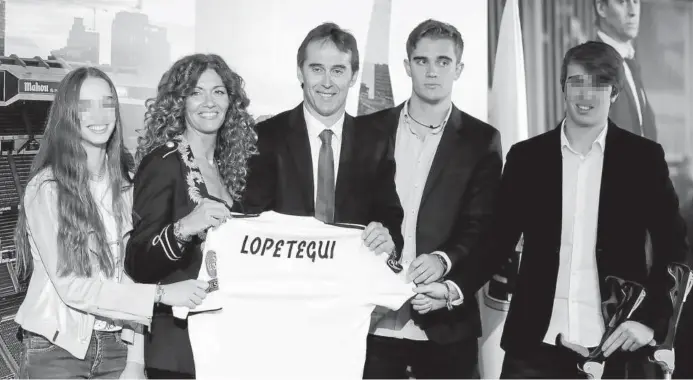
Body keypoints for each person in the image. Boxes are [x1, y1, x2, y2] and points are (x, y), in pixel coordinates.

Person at [485, 41, 688, 378]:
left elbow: (674, 246)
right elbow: (494, 242)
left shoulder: (643, 159)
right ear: (563, 88)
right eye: (576, 81)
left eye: (598, 83)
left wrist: (652, 323)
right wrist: (452, 284)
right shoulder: (526, 158)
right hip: (533, 351)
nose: (586, 93)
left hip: (616, 349)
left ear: (614, 93)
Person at [13, 67, 208, 379]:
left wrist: (135, 360)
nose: (98, 115)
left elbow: (134, 272)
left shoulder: (127, 185)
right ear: (67, 114)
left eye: (106, 103)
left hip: (118, 346)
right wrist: (160, 294)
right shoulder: (47, 188)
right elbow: (71, 286)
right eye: (84, 105)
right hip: (56, 348)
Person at [357, 19, 503, 379]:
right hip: (371, 324)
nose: (432, 71)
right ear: (407, 66)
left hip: (445, 328)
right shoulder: (367, 130)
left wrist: (444, 259)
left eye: (443, 61)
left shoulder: (481, 140)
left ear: (459, 69)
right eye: (422, 61)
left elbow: (482, 225)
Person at [124, 53, 258, 379]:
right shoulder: (164, 161)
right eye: (196, 92)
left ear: (231, 101)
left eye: (218, 91)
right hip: (176, 351)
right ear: (179, 102)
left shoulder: (231, 166)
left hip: (224, 344)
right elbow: (137, 261)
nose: (208, 101)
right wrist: (184, 228)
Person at [238, 22, 404, 258]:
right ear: (300, 72)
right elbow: (249, 223)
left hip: (351, 281)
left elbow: (390, 217)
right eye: (317, 69)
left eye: (337, 70)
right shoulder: (265, 137)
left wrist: (387, 239)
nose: (327, 82)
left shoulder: (375, 142)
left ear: (353, 76)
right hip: (283, 280)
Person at [594, 0, 657, 141]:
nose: (633, 11)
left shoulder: (629, 61)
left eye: (636, 1)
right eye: (622, 2)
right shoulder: (592, 65)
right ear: (601, 8)